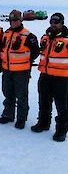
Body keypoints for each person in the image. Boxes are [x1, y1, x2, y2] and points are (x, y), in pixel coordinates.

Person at [0, 10, 39, 129]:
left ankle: (21, 118)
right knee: (7, 93)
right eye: (11, 20)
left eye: (16, 20)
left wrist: (26, 62)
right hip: (7, 69)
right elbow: (3, 50)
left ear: (21, 20)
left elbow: (36, 51)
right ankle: (8, 115)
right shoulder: (6, 33)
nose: (13, 22)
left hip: (21, 72)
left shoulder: (28, 36)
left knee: (21, 96)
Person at [31, 13, 68, 142]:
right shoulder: (45, 38)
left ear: (62, 23)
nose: (53, 24)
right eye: (52, 22)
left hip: (61, 79)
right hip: (45, 76)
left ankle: (61, 130)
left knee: (62, 106)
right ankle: (43, 123)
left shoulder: (67, 40)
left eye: (56, 22)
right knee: (43, 102)